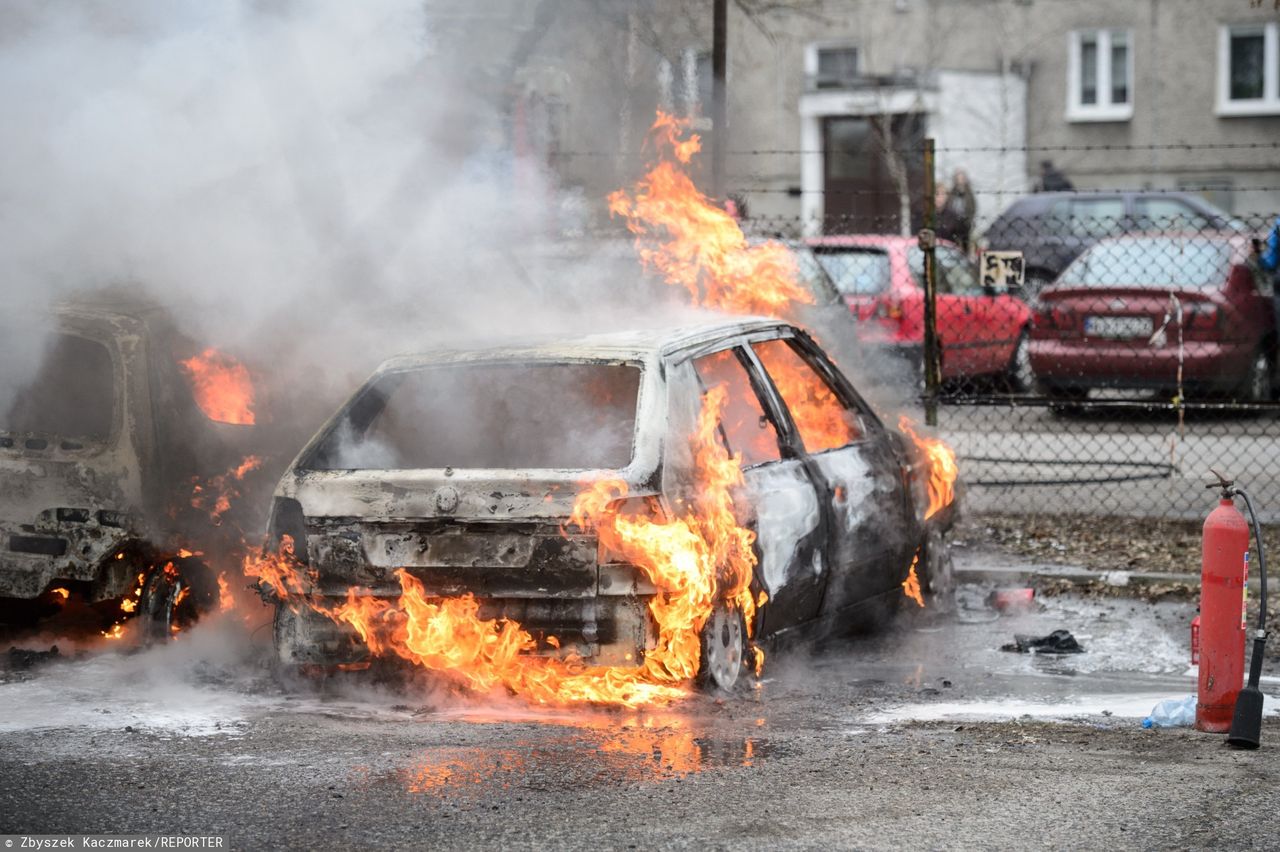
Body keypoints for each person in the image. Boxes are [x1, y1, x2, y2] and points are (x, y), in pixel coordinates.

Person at [937, 170, 976, 253]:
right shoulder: (951, 193)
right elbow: (948, 205)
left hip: (965, 223)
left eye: (961, 178)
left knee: (964, 242)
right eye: (958, 179)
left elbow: (972, 208)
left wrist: (968, 220)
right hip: (950, 222)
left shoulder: (969, 195)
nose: (960, 181)